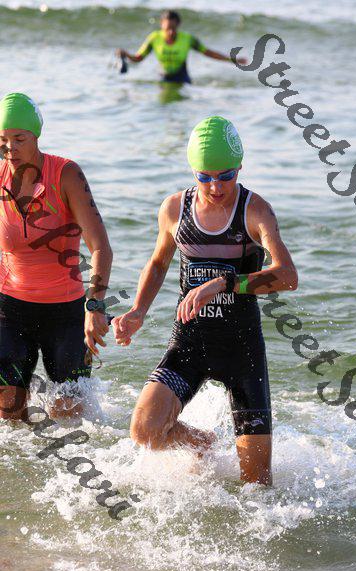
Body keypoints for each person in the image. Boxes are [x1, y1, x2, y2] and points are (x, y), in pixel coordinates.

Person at [113, 116, 298, 485]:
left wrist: (223, 283)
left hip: (242, 352)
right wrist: (138, 310)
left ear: (239, 167)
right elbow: (158, 262)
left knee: (257, 486)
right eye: (205, 176)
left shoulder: (255, 211)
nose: (215, 186)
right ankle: (201, 443)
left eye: (225, 176)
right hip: (190, 344)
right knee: (144, 431)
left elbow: (287, 276)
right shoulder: (174, 209)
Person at [0, 93, 112, 421]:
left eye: (19, 139)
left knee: (69, 418)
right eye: (3, 140)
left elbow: (100, 247)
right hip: (9, 310)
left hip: (65, 314)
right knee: (10, 416)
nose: (10, 148)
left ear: (36, 136)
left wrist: (95, 306)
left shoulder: (66, 174)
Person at [117, 10, 246, 84]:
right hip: (163, 78)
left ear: (178, 25)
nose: (170, 32)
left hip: (183, 78)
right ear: (161, 25)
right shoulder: (154, 38)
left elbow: (208, 53)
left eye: (173, 28)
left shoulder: (187, 39)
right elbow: (138, 58)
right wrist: (126, 54)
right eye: (167, 29)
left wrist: (232, 60)